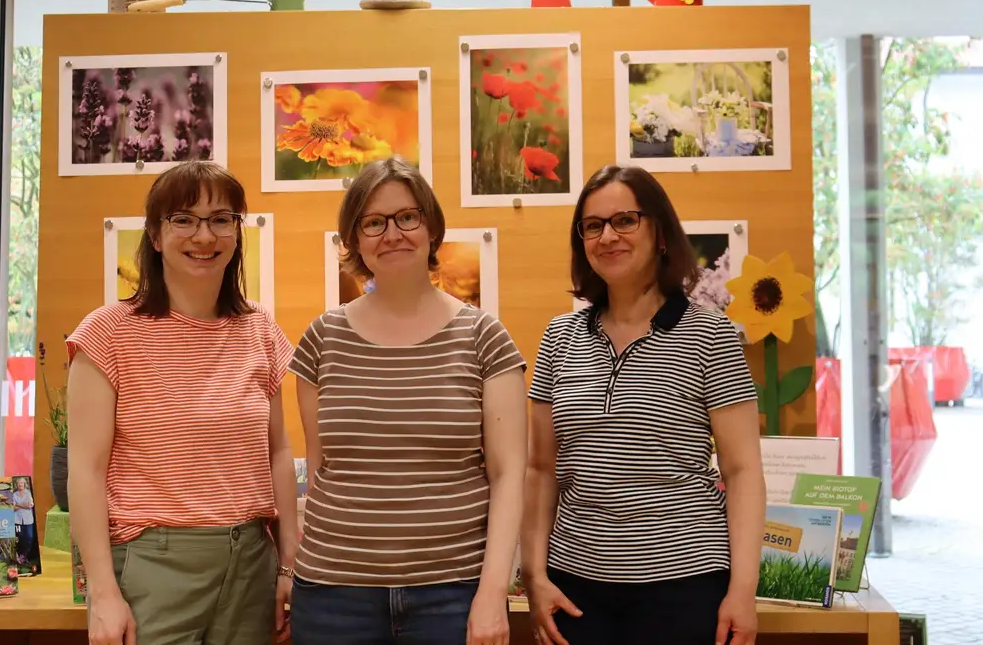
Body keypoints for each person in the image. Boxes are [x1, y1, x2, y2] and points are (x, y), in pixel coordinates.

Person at [521, 164, 767, 645]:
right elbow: (540, 469)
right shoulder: (560, 338)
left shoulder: (710, 334)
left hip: (686, 583)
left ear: (659, 233)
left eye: (625, 220)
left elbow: (742, 471)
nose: (608, 236)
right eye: (593, 226)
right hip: (575, 585)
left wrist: (743, 588)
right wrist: (533, 575)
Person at [288, 156, 527, 645]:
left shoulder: (484, 336)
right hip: (334, 595)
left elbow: (508, 474)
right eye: (373, 222)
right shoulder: (322, 338)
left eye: (407, 217)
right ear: (353, 239)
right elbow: (321, 466)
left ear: (431, 226)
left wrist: (490, 591)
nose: (392, 233)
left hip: (453, 595)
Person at [66, 160, 299, 645]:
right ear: (155, 235)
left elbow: (277, 453)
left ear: (237, 232)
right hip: (153, 563)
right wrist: (104, 594)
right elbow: (85, 473)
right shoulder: (108, 333)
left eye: (220, 219)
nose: (204, 235)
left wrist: (288, 567)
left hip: (252, 561)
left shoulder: (260, 328)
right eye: (184, 219)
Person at [10, 477, 38, 569]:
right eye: (18, 484)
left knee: (29, 538)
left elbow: (30, 505)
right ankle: (19, 557)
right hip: (17, 520)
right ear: (16, 485)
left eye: (21, 483)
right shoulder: (14, 495)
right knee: (20, 538)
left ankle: (24, 556)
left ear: (24, 484)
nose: (20, 485)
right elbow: (13, 507)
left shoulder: (28, 493)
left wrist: (18, 505)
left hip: (28, 520)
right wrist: (23, 505)